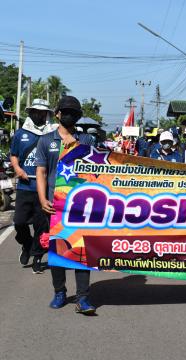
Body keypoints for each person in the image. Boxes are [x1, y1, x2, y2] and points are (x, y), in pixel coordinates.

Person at [36, 95, 96, 314]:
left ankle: (83, 298)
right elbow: (41, 172)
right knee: (57, 252)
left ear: (78, 117)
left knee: (81, 253)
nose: (69, 115)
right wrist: (43, 199)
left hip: (80, 208)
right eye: (66, 111)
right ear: (58, 114)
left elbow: (98, 171)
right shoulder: (45, 141)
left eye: (74, 113)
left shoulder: (87, 141)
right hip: (54, 207)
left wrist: (77, 147)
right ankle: (59, 292)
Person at [10, 99, 55, 273]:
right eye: (36, 111)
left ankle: (37, 257)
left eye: (43, 112)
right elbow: (14, 155)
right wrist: (17, 168)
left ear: (47, 114)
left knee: (41, 226)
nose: (39, 115)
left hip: (43, 189)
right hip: (24, 186)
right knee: (19, 222)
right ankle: (26, 243)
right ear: (30, 113)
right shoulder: (21, 134)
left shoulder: (52, 134)